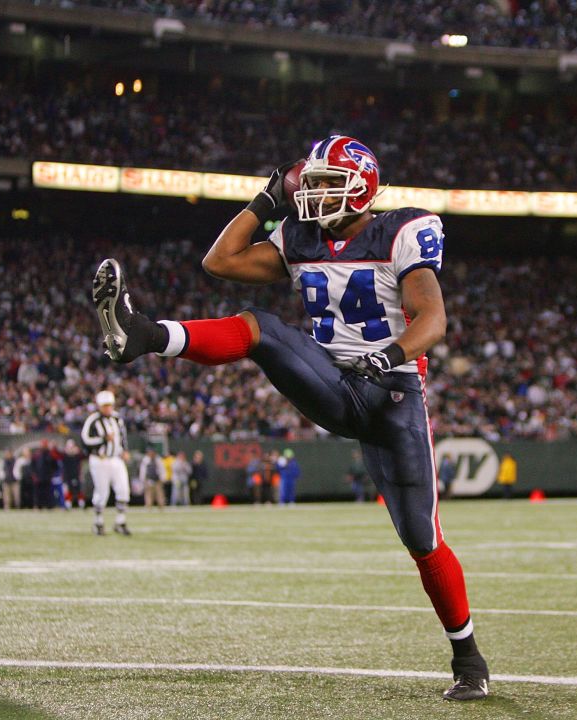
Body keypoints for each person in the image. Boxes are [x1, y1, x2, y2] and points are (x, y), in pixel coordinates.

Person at [91, 135, 489, 700]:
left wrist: (389, 355)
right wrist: (263, 201)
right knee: (259, 327)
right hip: (336, 379)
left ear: (363, 187)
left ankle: (468, 658)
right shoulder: (301, 236)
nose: (312, 193)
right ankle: (144, 335)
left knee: (422, 539)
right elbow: (219, 261)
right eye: (310, 181)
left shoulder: (402, 230)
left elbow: (432, 319)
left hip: (392, 391)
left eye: (327, 184)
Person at [81, 390, 131, 535]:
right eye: (105, 405)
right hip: (99, 459)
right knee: (102, 492)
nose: (107, 408)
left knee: (123, 490)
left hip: (116, 458)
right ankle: (98, 522)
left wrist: (125, 450)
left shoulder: (117, 418)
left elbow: (123, 436)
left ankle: (120, 521)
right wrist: (103, 439)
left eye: (109, 405)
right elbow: (85, 440)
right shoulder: (93, 420)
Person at [62, 439, 85, 509]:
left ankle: (81, 504)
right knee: (68, 490)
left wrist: (78, 452)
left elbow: (84, 455)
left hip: (76, 475)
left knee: (79, 490)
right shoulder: (64, 455)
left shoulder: (77, 455)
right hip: (67, 476)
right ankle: (68, 505)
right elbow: (55, 455)